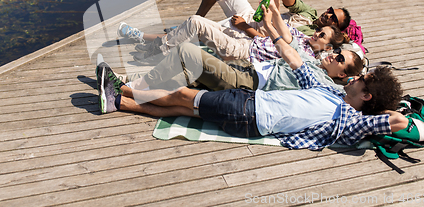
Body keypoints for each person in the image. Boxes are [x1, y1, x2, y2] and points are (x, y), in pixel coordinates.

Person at [97, 45, 407, 150]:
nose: (354, 78)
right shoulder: (330, 90)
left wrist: (394, 109)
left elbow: (397, 120)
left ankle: (119, 87)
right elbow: (295, 61)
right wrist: (272, 23)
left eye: (362, 80)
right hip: (249, 102)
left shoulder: (350, 121)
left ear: (367, 95)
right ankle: (119, 104)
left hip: (249, 112)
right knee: (183, 110)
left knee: (182, 95)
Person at [117, 0, 351, 64]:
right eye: (330, 10)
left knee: (197, 29)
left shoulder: (312, 41)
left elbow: (274, 42)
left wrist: (246, 27)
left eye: (332, 19)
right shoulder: (310, 14)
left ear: (335, 30)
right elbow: (283, 9)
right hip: (258, 19)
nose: (327, 15)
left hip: (252, 34)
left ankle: (147, 38)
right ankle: (181, 30)